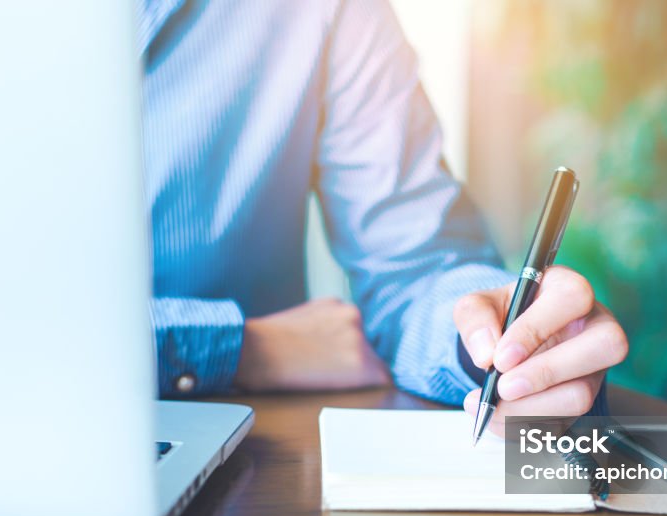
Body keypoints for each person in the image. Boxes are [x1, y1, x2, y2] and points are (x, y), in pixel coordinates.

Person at [140, 0, 628, 434]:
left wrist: (490, 340)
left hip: (254, 459)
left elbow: (416, 270)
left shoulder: (332, 10)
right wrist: (243, 348)